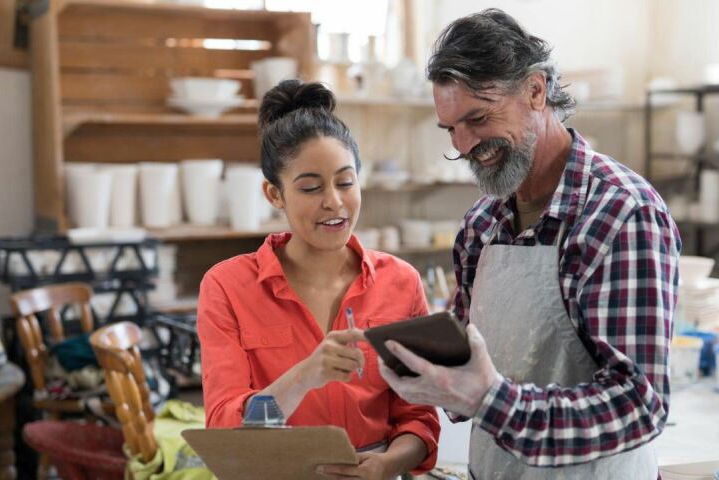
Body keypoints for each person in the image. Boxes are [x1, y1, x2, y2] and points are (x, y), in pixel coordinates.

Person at [377, 9, 681, 480]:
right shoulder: (482, 224)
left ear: (535, 91)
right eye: (451, 129)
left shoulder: (621, 213)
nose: (464, 145)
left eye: (478, 118)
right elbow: (471, 363)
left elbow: (637, 405)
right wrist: (428, 375)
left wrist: (490, 400)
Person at [197, 79, 439, 479]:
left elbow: (418, 415)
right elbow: (226, 429)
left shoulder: (402, 282)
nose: (334, 201)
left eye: (346, 182)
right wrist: (305, 376)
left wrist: (387, 464)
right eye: (310, 187)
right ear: (274, 195)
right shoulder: (226, 286)